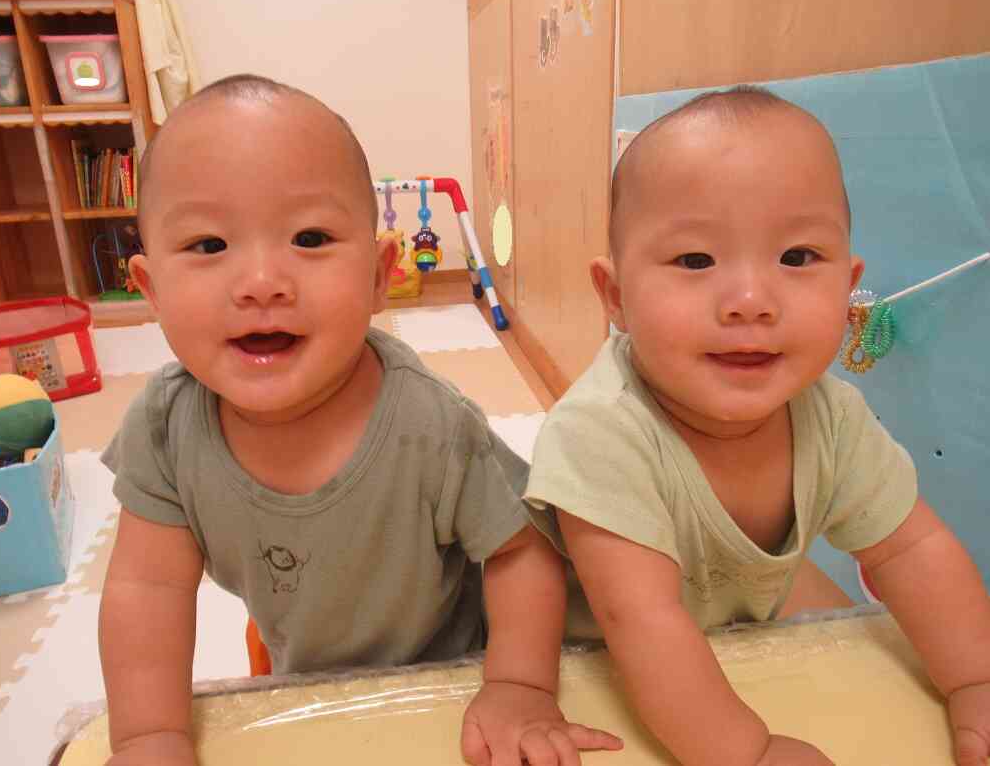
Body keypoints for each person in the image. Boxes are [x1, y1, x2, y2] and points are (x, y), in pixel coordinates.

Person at [98, 74, 620, 766]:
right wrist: (148, 736)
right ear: (150, 289)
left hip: (449, 677)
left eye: (309, 237)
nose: (260, 282)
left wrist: (518, 687)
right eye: (208, 245)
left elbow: (522, 550)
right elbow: (147, 589)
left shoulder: (427, 424)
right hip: (303, 671)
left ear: (379, 276)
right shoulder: (165, 429)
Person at [525, 86, 990, 766]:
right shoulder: (601, 432)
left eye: (797, 258)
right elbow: (641, 621)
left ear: (847, 281)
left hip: (731, 648)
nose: (750, 302)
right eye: (695, 260)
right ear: (617, 296)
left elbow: (909, 550)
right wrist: (746, 752)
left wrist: (973, 678)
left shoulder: (830, 416)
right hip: (589, 675)